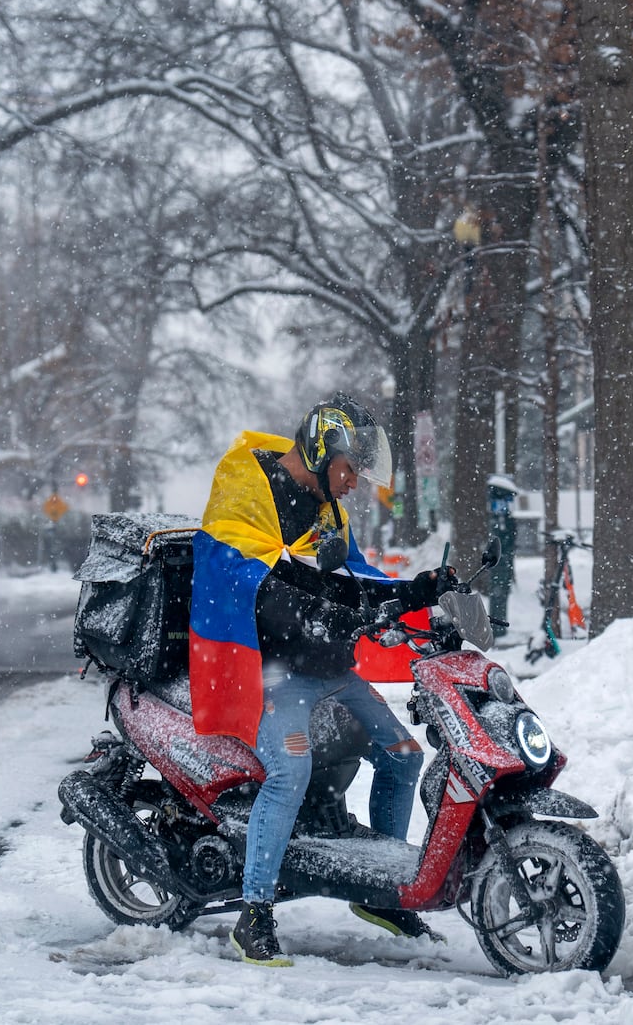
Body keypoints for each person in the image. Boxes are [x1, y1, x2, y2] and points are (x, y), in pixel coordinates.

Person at [188, 394, 447, 967]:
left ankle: (381, 893)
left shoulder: (327, 508)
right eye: (349, 468)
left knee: (403, 754)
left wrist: (418, 592)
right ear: (321, 449)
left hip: (327, 666)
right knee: (290, 770)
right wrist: (317, 614)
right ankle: (253, 915)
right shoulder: (246, 495)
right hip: (272, 671)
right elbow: (245, 584)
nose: (354, 482)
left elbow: (352, 581)